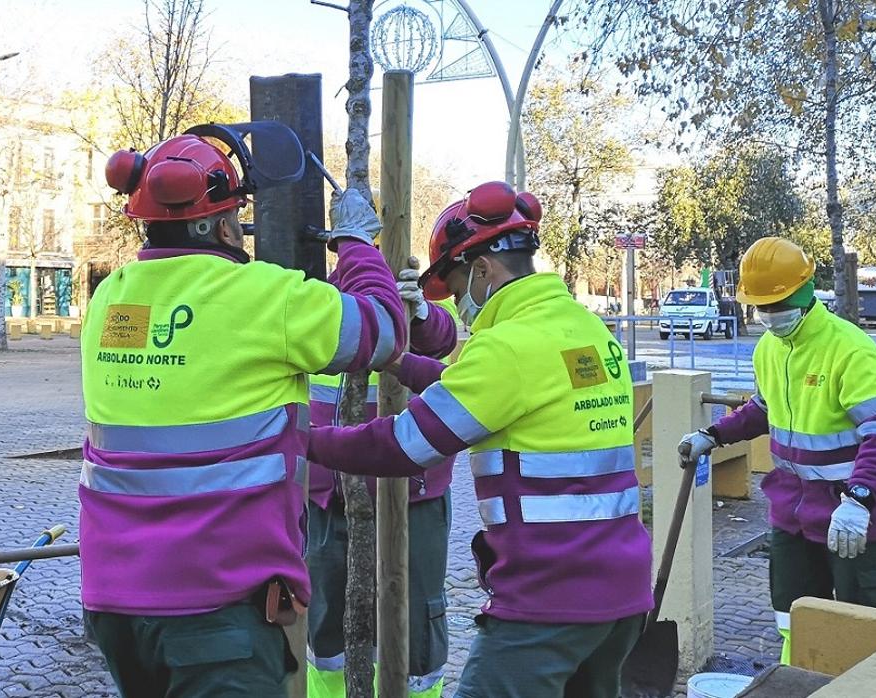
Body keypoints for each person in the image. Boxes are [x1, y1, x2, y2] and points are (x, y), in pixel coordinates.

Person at [79, 126, 408, 697]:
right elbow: (384, 332)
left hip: (115, 605)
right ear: (222, 224)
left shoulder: (111, 300)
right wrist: (356, 244)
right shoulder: (264, 296)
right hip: (217, 612)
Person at [306, 181, 653, 698]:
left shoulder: (508, 347)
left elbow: (404, 445)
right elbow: (477, 389)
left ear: (484, 270)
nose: (458, 302)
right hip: (622, 590)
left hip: (549, 600)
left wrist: (302, 441)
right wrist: (400, 362)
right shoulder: (584, 329)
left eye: (456, 282)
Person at [680, 237, 876, 665]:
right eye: (760, 307)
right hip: (793, 512)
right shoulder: (771, 348)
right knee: (793, 617)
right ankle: (799, 680)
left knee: (866, 626)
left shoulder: (849, 349)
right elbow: (764, 408)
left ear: (804, 292)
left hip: (851, 516)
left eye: (777, 303)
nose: (768, 315)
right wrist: (713, 435)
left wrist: (860, 499)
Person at [306, 278, 459, 698]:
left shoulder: (406, 306)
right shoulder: (317, 300)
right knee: (326, 625)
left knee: (415, 623)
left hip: (410, 497)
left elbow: (443, 336)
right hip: (328, 496)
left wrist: (420, 313)